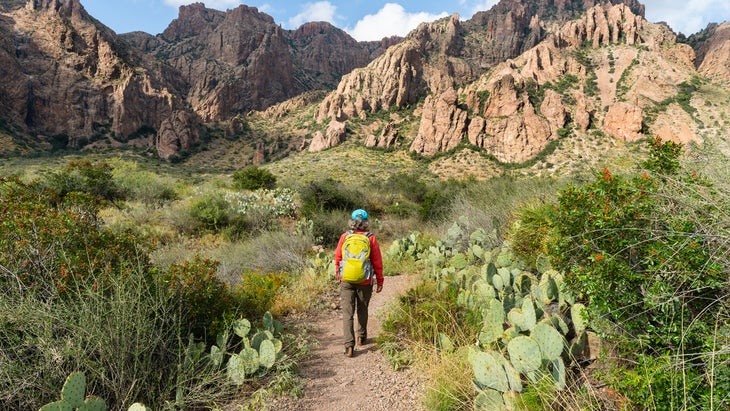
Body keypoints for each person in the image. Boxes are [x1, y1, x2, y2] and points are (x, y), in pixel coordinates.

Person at [334, 209, 384, 357]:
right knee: (362, 308)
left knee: (347, 313)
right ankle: (361, 337)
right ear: (366, 222)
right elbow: (377, 261)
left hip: (347, 279)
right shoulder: (370, 238)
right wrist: (379, 280)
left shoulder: (345, 236)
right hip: (365, 279)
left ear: (352, 221)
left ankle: (349, 345)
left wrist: (339, 275)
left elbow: (338, 257)